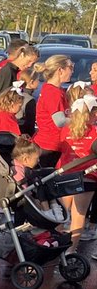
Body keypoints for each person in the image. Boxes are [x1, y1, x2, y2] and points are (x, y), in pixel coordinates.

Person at [57, 94, 97, 245]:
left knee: (60, 213)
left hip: (67, 174)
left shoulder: (66, 129)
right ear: (91, 114)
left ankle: (56, 243)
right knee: (79, 214)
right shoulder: (95, 131)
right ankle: (72, 249)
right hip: (88, 175)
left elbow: (61, 148)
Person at [32, 54, 74, 168]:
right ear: (60, 70)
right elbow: (59, 121)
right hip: (49, 146)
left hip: (53, 144)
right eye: (71, 67)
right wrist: (79, 121)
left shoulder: (56, 90)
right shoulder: (52, 92)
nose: (72, 71)